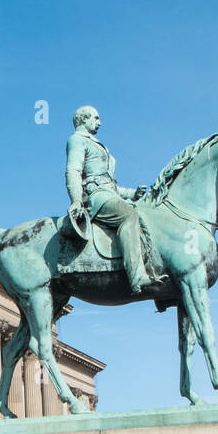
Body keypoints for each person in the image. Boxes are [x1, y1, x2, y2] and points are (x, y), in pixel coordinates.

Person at [65, 105, 148, 293]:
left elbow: (110, 185)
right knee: (128, 215)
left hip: (107, 194)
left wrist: (132, 193)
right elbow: (73, 171)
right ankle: (137, 277)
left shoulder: (96, 143)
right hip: (95, 197)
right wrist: (76, 200)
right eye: (95, 118)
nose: (99, 122)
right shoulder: (77, 140)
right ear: (83, 119)